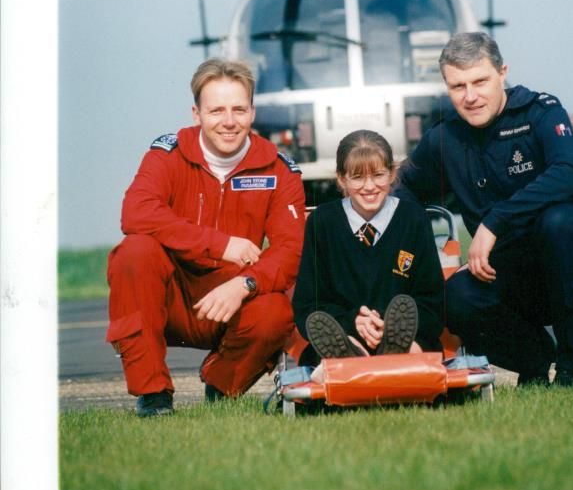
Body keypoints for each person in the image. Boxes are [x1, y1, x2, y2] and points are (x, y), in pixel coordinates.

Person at [393, 32, 573, 387]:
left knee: (560, 222)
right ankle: (533, 365)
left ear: (502, 73)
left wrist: (494, 222)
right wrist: (414, 246)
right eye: (458, 87)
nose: (470, 97)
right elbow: (403, 188)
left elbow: (571, 172)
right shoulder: (445, 137)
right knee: (457, 296)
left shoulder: (540, 112)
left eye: (480, 81)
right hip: (507, 277)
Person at [106, 58, 306, 416]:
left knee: (276, 311)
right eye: (216, 110)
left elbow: (290, 251)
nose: (228, 122)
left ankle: (221, 387)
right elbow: (135, 213)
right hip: (172, 297)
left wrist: (244, 284)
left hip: (231, 299)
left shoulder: (278, 169)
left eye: (238, 110)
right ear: (196, 114)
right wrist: (220, 244)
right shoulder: (167, 155)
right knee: (134, 252)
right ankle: (153, 397)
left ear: (252, 112)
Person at [292, 130, 444, 370]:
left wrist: (387, 325)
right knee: (323, 357)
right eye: (357, 177)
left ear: (393, 174)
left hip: (406, 336)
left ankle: (391, 355)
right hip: (345, 334)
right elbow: (308, 306)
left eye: (378, 175)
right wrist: (353, 324)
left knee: (418, 347)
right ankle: (357, 357)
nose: (369, 186)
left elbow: (433, 302)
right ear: (341, 179)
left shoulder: (413, 218)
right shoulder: (322, 222)